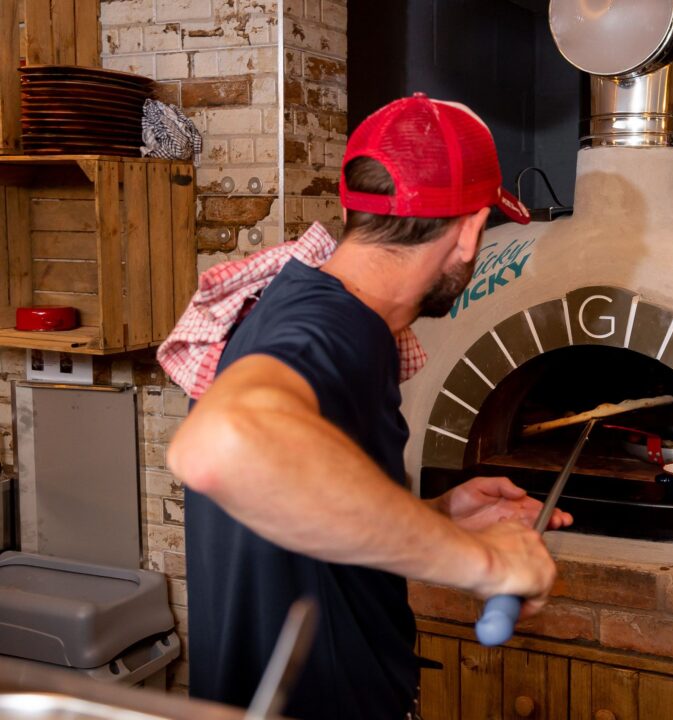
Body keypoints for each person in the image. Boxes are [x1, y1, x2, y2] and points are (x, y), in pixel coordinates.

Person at [167, 93, 570, 720]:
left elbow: (297, 513)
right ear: (469, 232)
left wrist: (437, 517)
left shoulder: (317, 306)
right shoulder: (334, 329)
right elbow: (220, 447)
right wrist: (487, 563)